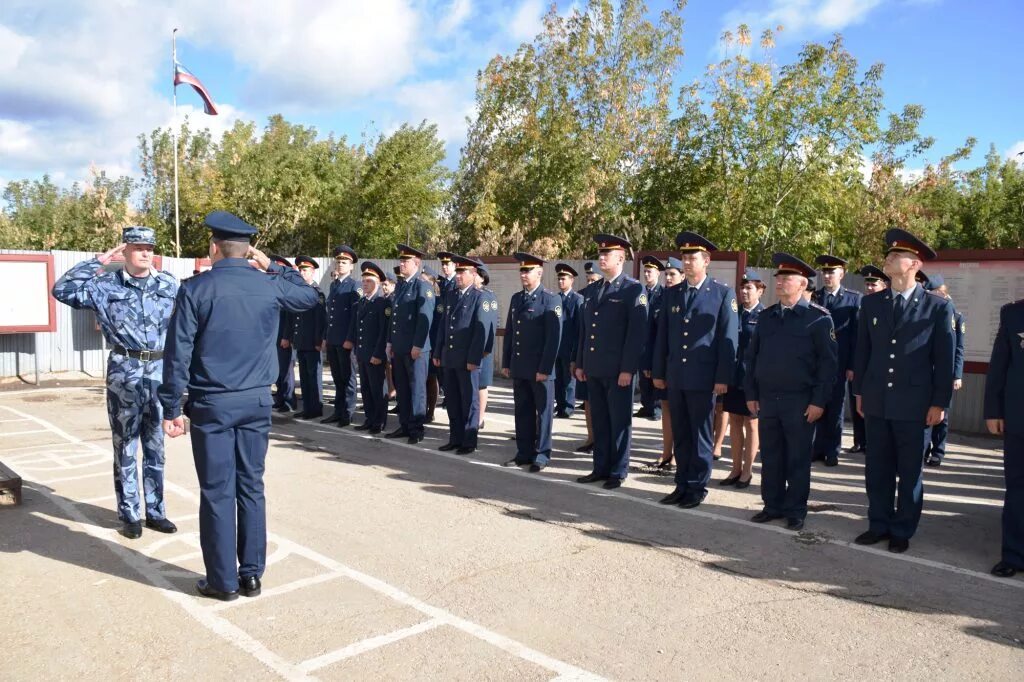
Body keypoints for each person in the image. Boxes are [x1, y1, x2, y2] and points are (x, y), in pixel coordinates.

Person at [159, 210, 318, 601]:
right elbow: (311, 296)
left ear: (214, 248)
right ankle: (251, 576)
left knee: (217, 491)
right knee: (251, 486)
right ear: (249, 251)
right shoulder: (269, 285)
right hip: (256, 401)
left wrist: (170, 406)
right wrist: (275, 267)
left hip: (212, 403)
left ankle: (222, 581)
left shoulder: (197, 289)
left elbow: (177, 353)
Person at [52, 226, 179, 539]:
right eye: (138, 247)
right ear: (125, 251)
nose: (146, 252)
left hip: (160, 372)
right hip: (124, 371)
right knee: (125, 446)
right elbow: (62, 290)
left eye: (150, 247)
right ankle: (130, 514)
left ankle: (156, 511)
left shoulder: (169, 284)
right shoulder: (104, 285)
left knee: (155, 447)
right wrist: (96, 261)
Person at [852, 228, 955, 554]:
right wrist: (859, 393)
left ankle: (902, 528)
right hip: (878, 400)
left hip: (915, 404)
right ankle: (878, 523)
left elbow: (945, 359)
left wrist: (940, 403)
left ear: (914, 264)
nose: (888, 259)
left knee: (909, 472)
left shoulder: (937, 308)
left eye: (896, 256)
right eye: (889, 254)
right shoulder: (871, 304)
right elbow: (863, 353)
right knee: (877, 468)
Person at [745, 254, 837, 531]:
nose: (781, 282)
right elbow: (753, 358)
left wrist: (819, 401)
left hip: (800, 401)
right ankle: (772, 504)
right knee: (771, 455)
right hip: (769, 399)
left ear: (802, 284)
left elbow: (828, 365)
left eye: (787, 279)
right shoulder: (767, 317)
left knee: (797, 457)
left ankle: (796, 509)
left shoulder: (818, 319)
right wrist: (751, 393)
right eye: (779, 278)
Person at [653, 232, 738, 509]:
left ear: (707, 261)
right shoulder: (672, 293)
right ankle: (682, 483)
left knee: (701, 433)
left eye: (693, 258)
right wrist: (659, 371)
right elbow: (662, 336)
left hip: (704, 378)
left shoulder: (722, 293)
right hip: (677, 375)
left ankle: (697, 486)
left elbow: (729, 339)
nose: (687, 262)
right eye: (685, 258)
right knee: (681, 431)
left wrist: (723, 377)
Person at [575, 235, 647, 489]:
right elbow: (585, 330)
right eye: (600, 254)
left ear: (621, 259)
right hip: (594, 367)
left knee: (619, 422)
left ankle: (618, 470)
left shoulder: (632, 289)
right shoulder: (594, 290)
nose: (602, 258)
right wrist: (581, 362)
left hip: (618, 370)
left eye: (608, 255)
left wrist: (628, 368)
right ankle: (600, 467)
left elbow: (636, 334)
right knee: (600, 420)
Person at [502, 253, 562, 471]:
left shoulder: (550, 299)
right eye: (522, 270)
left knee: (543, 413)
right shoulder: (517, 298)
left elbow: (553, 338)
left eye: (528, 270)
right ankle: (524, 453)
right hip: (520, 366)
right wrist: (507, 361)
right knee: (523, 411)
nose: (524, 274)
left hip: (539, 369)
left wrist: (545, 368)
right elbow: (511, 332)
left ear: (539, 272)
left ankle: (542, 455)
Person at [984, 297, 1024, 578]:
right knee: (1017, 488)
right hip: (1018, 416)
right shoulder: (1013, 313)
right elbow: (999, 364)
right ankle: (1013, 554)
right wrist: (993, 410)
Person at [433, 255, 488, 455]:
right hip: (450, 357)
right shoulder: (452, 295)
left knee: (469, 401)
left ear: (473, 275)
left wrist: (474, 359)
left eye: (462, 272)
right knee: (453, 401)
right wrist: (439, 351)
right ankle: (455, 438)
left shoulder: (479, 297)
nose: (458, 276)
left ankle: (469, 440)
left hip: (467, 360)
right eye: (457, 272)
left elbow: (480, 333)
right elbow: (443, 327)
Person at [811, 255, 862, 467]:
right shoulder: (815, 296)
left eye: (832, 272)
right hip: (817, 361)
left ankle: (832, 449)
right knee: (817, 402)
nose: (827, 275)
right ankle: (817, 447)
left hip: (840, 361)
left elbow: (857, 336)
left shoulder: (853, 299)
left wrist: (852, 365)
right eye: (825, 272)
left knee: (836, 406)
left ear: (842, 274)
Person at [387, 244, 436, 444]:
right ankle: (405, 424)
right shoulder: (400, 285)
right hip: (399, 347)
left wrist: (418, 345)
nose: (401, 263)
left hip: (416, 349)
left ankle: (416, 428)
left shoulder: (422, 286)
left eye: (405, 261)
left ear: (416, 263)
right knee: (403, 388)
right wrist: (390, 342)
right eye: (401, 260)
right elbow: (395, 318)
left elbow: (425, 318)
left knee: (417, 389)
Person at [721, 268, 765, 488]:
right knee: (735, 423)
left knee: (752, 424)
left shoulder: (765, 316)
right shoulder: (734, 312)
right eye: (742, 287)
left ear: (760, 291)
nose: (744, 292)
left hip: (753, 379)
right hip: (734, 376)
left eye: (749, 288)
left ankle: (748, 471)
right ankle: (735, 468)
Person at [920, 273, 964, 467]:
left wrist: (957, 374)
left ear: (941, 292)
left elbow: (957, 348)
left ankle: (938, 450)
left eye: (932, 292)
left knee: (942, 415)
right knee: (925, 415)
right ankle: (924, 449)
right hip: (928, 373)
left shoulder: (954, 314)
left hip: (945, 373)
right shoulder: (926, 311)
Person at [847, 265, 889, 453]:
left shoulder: (885, 306)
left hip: (877, 367)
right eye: (868, 284)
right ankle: (859, 441)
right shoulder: (863, 305)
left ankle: (872, 443)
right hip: (860, 363)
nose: (870, 288)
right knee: (857, 404)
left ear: (883, 285)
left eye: (874, 284)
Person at [348, 262, 391, 433]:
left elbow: (384, 331)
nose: (365, 284)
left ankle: (379, 421)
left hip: (375, 354)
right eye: (364, 281)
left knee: (378, 388)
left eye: (369, 281)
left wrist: (378, 353)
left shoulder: (382, 303)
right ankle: (370, 418)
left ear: (378, 283)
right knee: (365, 388)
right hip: (363, 353)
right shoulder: (362, 302)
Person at [650, 257, 684, 470]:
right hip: (663, 364)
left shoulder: (684, 297)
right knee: (666, 408)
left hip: (682, 366)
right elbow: (653, 335)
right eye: (667, 275)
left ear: (682, 275)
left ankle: (677, 457)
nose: (669, 278)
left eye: (673, 274)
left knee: (680, 412)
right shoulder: (660, 298)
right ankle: (666, 452)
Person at [322, 246, 360, 427]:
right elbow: (331, 315)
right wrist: (326, 337)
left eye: (344, 262)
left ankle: (348, 412)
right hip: (333, 339)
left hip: (345, 340)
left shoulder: (354, 286)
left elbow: (354, 316)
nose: (340, 264)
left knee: (348, 378)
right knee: (337, 378)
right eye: (338, 262)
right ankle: (337, 411)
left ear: (351, 266)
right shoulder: (334, 284)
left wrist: (350, 338)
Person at [290, 256, 326, 419]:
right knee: (304, 376)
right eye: (300, 270)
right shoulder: (300, 291)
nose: (302, 273)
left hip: (312, 342)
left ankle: (315, 408)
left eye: (305, 270)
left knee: (313, 376)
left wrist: (319, 340)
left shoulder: (317, 293)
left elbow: (320, 319)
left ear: (312, 272)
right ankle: (307, 407)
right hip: (302, 341)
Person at [636, 256, 665, 421]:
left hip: (654, 342)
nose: (647, 275)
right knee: (642, 378)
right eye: (645, 271)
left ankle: (656, 407)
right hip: (641, 341)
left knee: (653, 375)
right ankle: (646, 406)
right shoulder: (640, 292)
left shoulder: (663, 294)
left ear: (657, 273)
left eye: (650, 271)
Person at [553, 263, 583, 419]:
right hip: (556, 347)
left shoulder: (577, 300)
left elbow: (579, 328)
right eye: (559, 279)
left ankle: (568, 407)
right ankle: (560, 404)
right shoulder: (555, 298)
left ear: (571, 280)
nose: (560, 282)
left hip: (569, 347)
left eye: (563, 279)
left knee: (569, 379)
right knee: (557, 379)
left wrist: (575, 351)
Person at [428, 256, 456, 421]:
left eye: (448, 264)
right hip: (441, 336)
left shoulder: (453, 284)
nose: (445, 267)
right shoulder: (444, 284)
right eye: (443, 264)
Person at [269, 255, 298, 413]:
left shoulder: (288, 289)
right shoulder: (273, 287)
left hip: (284, 336)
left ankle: (289, 400)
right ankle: (280, 398)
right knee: (278, 370)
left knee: (286, 370)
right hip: (274, 336)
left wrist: (287, 336)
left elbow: (291, 316)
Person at [475, 266, 498, 428]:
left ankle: (480, 418)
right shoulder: (469, 295)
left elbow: (491, 324)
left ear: (483, 278)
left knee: (481, 385)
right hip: (469, 347)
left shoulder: (488, 296)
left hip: (484, 349)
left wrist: (485, 348)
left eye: (476, 274)